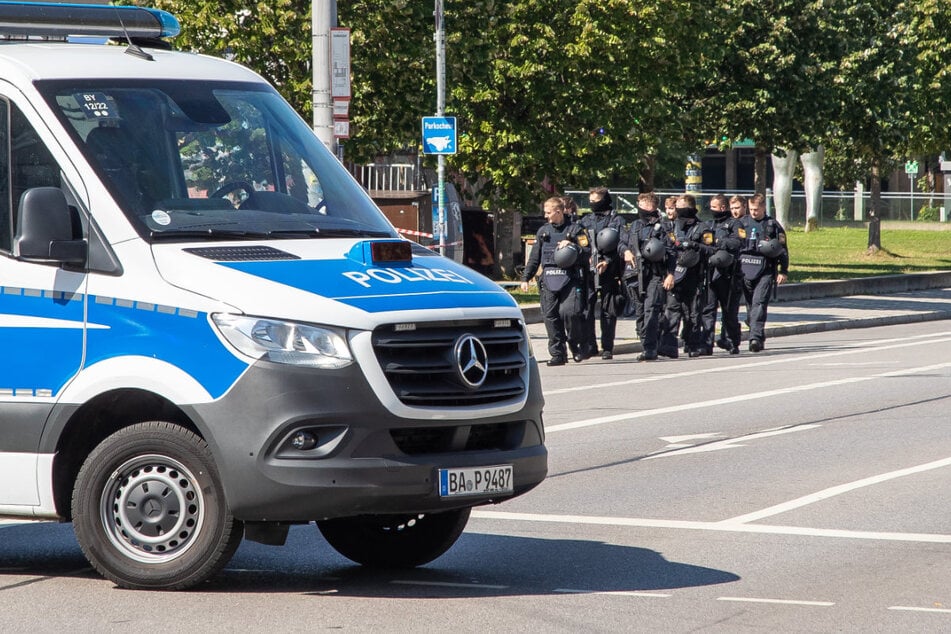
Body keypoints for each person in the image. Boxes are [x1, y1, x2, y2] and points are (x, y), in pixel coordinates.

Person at [521, 196, 590, 365]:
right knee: (550, 316)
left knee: (570, 312)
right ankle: (558, 354)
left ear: (558, 212)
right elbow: (534, 258)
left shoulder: (576, 230)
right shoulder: (543, 232)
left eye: (548, 213)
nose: (546, 216)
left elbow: (587, 250)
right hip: (549, 278)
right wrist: (525, 278)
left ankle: (575, 343)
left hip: (570, 278)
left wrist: (573, 245)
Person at [619, 192, 676, 361]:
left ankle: (650, 349)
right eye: (640, 204)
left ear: (652, 206)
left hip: (656, 274)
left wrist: (671, 274)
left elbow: (672, 252)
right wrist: (626, 251)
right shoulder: (635, 225)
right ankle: (648, 343)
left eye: (643, 205)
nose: (641, 208)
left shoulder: (664, 227)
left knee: (651, 309)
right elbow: (622, 243)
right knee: (640, 312)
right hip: (636, 274)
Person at [737, 192, 789, 352]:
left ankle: (755, 338)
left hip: (765, 270)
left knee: (759, 304)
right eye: (751, 209)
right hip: (745, 270)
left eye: (756, 210)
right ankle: (756, 330)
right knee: (750, 307)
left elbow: (783, 250)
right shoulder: (742, 223)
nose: (753, 212)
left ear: (763, 208)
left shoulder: (773, 225)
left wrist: (783, 270)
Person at [578, 186, 626, 360]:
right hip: (588, 270)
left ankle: (607, 347)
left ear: (605, 200)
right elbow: (578, 240)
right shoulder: (585, 220)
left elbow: (621, 244)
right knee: (586, 309)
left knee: (608, 310)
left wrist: (608, 261)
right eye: (590, 201)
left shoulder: (616, 220)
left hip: (609, 271)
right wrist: (586, 257)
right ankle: (589, 345)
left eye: (596, 201)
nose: (592, 204)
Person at [659, 193, 707, 357]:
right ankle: (669, 345)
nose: (677, 211)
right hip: (674, 272)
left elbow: (711, 249)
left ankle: (692, 344)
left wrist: (694, 246)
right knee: (672, 309)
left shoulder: (702, 227)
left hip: (694, 274)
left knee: (692, 312)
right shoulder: (669, 227)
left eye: (680, 207)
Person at [698, 193, 743, 355]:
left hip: (728, 274)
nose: (711, 210)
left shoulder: (735, 224)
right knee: (708, 309)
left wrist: (718, 242)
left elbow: (738, 242)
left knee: (729, 310)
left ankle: (732, 341)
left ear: (723, 207)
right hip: (710, 273)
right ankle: (706, 343)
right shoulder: (708, 224)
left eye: (714, 207)